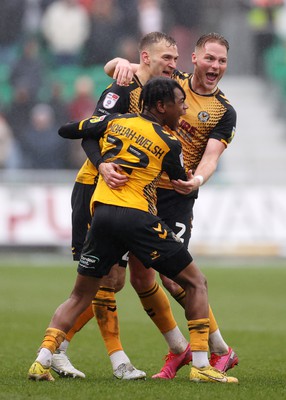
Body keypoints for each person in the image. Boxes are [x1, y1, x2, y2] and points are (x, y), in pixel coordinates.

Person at [52, 32, 238, 380]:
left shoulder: (224, 111)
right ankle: (180, 351)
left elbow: (212, 156)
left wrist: (196, 180)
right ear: (193, 59)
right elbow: (133, 70)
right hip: (139, 191)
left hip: (176, 195)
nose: (215, 66)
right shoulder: (171, 79)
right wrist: (118, 63)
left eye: (222, 61)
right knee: (131, 278)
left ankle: (219, 349)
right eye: (209, 58)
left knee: (174, 278)